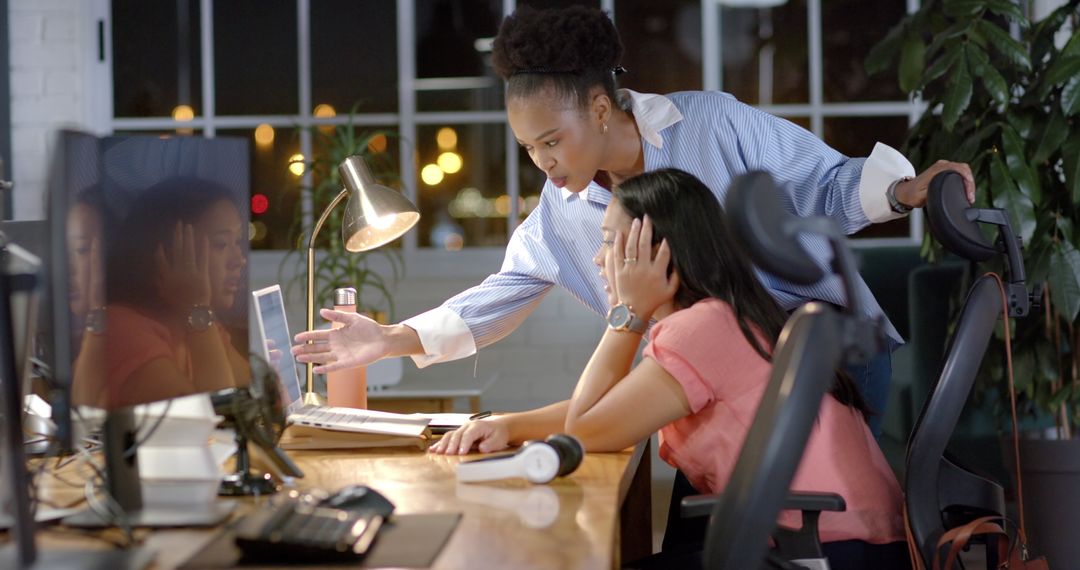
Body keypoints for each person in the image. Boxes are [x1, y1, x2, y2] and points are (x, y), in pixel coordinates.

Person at [292, 5, 974, 438]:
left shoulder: (709, 124)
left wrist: (905, 191)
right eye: (527, 148)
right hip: (715, 382)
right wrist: (390, 339)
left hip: (825, 354)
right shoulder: (560, 210)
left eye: (551, 141)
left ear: (599, 108)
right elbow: (501, 294)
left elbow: (821, 184)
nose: (543, 162)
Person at [431, 169, 909, 569]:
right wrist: (509, 426)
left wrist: (629, 315)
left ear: (658, 253)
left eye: (610, 242)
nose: (598, 258)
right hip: (846, 543)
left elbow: (588, 428)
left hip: (831, 550)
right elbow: (611, 411)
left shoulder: (702, 329)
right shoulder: (720, 316)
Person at [88, 178, 250, 409]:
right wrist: (197, 309)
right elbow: (219, 414)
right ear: (167, 252)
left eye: (238, 242)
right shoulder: (121, 328)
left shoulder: (192, 319)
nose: (239, 260)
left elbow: (253, 398)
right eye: (221, 244)